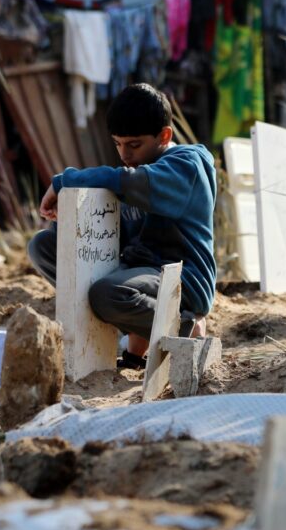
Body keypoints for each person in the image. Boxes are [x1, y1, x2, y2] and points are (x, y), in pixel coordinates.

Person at [28, 83, 217, 369]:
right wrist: (68, 226)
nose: (124, 155)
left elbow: (129, 181)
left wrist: (62, 181)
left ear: (164, 135)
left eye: (134, 145)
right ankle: (134, 350)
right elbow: (110, 223)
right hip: (138, 274)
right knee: (43, 246)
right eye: (117, 144)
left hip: (182, 281)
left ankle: (188, 329)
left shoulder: (185, 164)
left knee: (107, 293)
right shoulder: (135, 171)